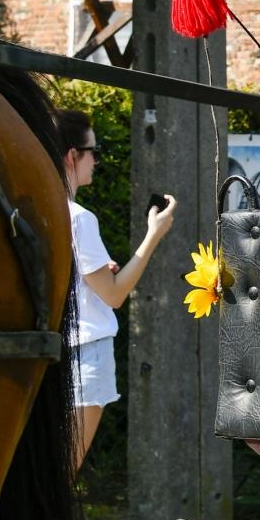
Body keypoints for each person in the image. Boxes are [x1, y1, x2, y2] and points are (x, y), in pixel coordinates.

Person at [56, 109, 176, 470]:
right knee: (63, 472)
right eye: (93, 151)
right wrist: (154, 235)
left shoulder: (37, 208)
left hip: (50, 354)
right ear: (72, 156)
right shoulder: (79, 218)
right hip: (85, 354)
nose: (96, 160)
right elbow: (114, 295)